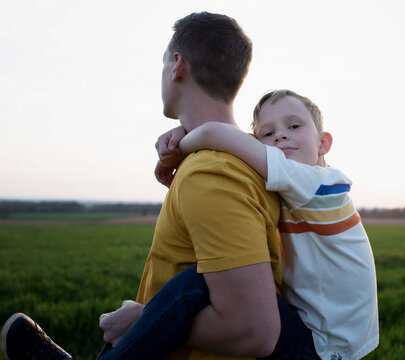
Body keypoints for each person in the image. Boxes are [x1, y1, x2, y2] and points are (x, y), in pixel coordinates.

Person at [1, 11, 284, 360]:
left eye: (164, 62)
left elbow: (253, 330)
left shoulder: (212, 175)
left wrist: (144, 321)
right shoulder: (249, 159)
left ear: (177, 65)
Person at [92, 89, 379, 359]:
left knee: (195, 285)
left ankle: (141, 327)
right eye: (267, 133)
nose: (280, 136)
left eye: (294, 126)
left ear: (323, 143)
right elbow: (232, 140)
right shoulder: (297, 188)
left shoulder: (319, 185)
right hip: (334, 338)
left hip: (321, 347)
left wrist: (177, 150)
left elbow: (217, 134)